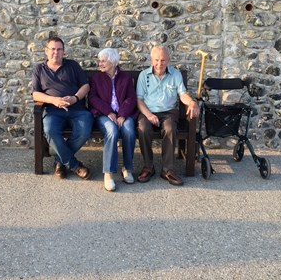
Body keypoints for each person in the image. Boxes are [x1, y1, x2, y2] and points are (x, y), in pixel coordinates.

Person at [136, 46, 200, 186]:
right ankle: (148, 167)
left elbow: (182, 94)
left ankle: (167, 170)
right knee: (142, 128)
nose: (160, 63)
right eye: (157, 60)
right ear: (152, 60)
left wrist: (191, 102)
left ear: (168, 60)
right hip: (148, 111)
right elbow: (139, 100)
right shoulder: (143, 75)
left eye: (163, 60)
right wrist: (149, 115)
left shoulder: (175, 75)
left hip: (169, 112)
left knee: (170, 128)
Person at [32, 37, 93, 180]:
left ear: (64, 52)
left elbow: (86, 86)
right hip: (53, 111)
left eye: (59, 49)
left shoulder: (73, 65)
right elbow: (35, 94)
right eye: (52, 49)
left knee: (84, 131)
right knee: (49, 130)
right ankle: (75, 165)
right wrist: (54, 100)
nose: (56, 52)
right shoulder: (39, 69)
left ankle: (59, 162)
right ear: (46, 51)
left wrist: (75, 98)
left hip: (77, 109)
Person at [89, 48, 138, 192]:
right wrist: (108, 111)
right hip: (104, 115)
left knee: (129, 129)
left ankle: (127, 168)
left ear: (113, 62)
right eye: (99, 60)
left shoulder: (126, 78)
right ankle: (108, 173)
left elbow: (131, 98)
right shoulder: (96, 78)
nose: (100, 63)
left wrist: (122, 114)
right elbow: (92, 98)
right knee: (112, 130)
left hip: (123, 114)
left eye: (103, 61)